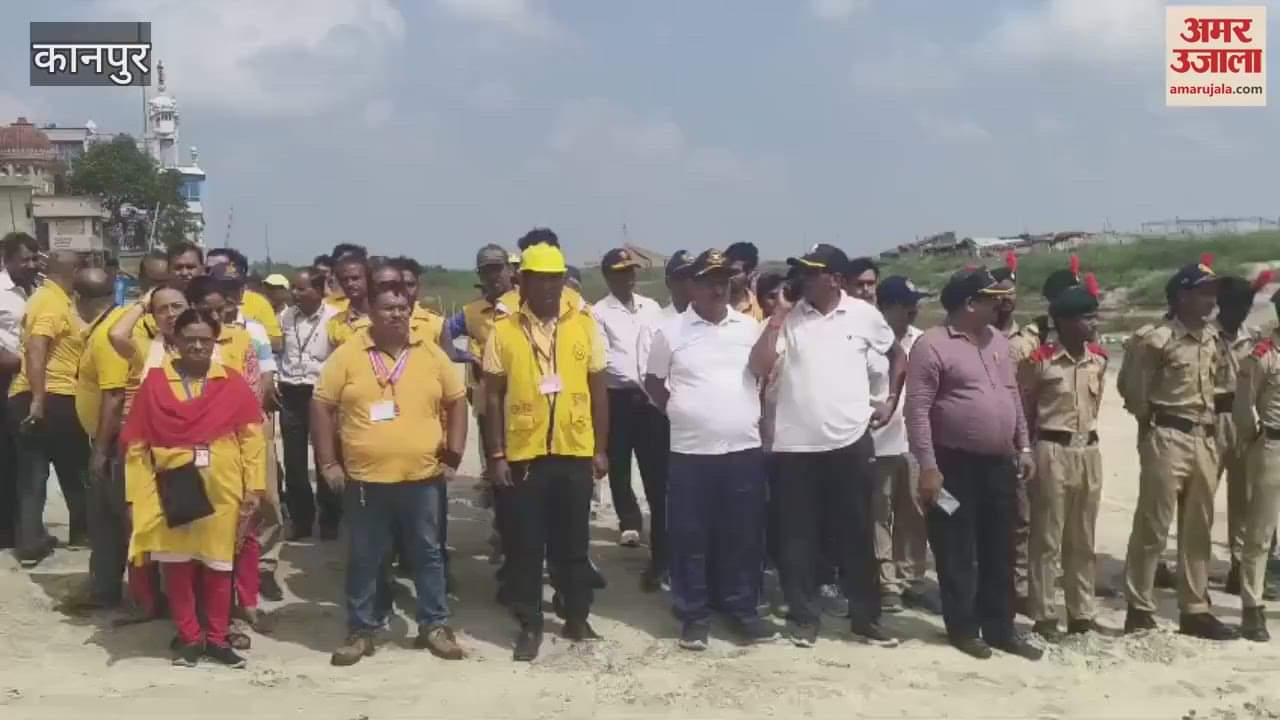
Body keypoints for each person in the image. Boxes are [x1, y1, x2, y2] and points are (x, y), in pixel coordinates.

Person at [748, 244, 903, 649]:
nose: (802, 279)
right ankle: (804, 617)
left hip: (850, 443)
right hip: (795, 449)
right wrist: (778, 317)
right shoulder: (788, 320)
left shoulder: (864, 315)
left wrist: (889, 401)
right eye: (800, 272)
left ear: (834, 278)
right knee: (798, 538)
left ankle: (866, 618)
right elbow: (758, 367)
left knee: (855, 535)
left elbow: (897, 354)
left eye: (811, 273)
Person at [313, 284, 468, 666]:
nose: (397, 315)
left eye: (403, 307)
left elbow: (457, 400)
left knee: (428, 554)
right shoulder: (348, 355)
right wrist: (328, 463)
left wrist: (454, 454)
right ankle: (362, 629)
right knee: (366, 556)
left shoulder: (430, 352)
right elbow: (321, 406)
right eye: (388, 308)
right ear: (371, 312)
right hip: (367, 479)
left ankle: (434, 625)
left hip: (423, 477)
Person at [904, 266, 1041, 661]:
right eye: (990, 298)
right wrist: (928, 467)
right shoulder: (932, 346)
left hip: (999, 464)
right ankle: (964, 628)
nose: (999, 303)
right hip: (953, 466)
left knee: (1000, 546)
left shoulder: (996, 340)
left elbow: (1011, 395)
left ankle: (1001, 628)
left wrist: (1024, 448)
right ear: (969, 303)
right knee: (957, 548)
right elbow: (918, 412)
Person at [481, 242, 609, 662]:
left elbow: (598, 390)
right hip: (524, 455)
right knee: (526, 546)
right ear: (523, 282)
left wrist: (600, 449)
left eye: (557, 278)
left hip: (574, 451)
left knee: (573, 542)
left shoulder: (585, 324)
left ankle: (576, 615)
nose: (551, 287)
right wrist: (497, 455)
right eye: (542, 279)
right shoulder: (503, 331)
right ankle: (531, 623)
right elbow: (493, 397)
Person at [645, 248, 775, 650]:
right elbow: (653, 383)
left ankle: (739, 608)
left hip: (741, 449)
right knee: (690, 536)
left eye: (723, 281)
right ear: (691, 286)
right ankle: (694, 614)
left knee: (741, 534)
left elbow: (762, 373)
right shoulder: (670, 331)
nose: (717, 288)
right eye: (708, 281)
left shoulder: (748, 328)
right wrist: (682, 413)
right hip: (691, 453)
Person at [122, 308, 264, 668]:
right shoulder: (154, 384)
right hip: (171, 487)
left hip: (223, 488)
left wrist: (254, 489)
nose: (198, 345)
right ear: (176, 341)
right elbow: (137, 446)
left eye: (205, 339)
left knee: (218, 564)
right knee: (177, 564)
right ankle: (188, 636)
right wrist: (135, 496)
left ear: (215, 341)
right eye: (190, 339)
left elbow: (252, 439)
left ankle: (216, 638)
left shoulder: (231, 383)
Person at [1117, 257, 1236, 640]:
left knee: (1198, 527)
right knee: (1153, 525)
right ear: (1182, 296)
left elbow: (1221, 386)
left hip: (1203, 437)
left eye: (1214, 293)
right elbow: (1133, 390)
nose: (1211, 301)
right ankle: (1139, 608)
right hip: (1166, 435)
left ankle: (1195, 608)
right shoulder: (1155, 339)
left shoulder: (1213, 338)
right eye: (1203, 293)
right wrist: (1152, 427)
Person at [1019, 281, 1108, 642]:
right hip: (1052, 450)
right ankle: (1043, 615)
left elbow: (1096, 404)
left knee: (1082, 538)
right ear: (1066, 322)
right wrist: (1024, 451)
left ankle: (1081, 613)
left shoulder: (1098, 359)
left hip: (1088, 450)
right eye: (1086, 317)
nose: (1093, 322)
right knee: (1047, 538)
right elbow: (1024, 410)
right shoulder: (1040, 362)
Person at [8, 249, 89, 567]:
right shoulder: (51, 302)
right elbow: (37, 346)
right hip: (51, 397)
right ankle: (63, 536)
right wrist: (39, 400)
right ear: (75, 271)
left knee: (44, 472)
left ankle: (34, 540)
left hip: (43, 397)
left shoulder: (54, 299)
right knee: (64, 470)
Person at [592, 249, 667, 568]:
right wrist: (641, 381)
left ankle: (660, 526)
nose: (629, 277)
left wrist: (656, 384)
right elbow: (606, 361)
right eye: (622, 272)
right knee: (620, 465)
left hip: (651, 401)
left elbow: (660, 347)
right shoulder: (598, 313)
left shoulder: (651, 308)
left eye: (632, 271)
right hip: (619, 397)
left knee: (656, 467)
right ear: (609, 276)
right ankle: (630, 521)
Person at [870, 276, 938, 615]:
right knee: (879, 516)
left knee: (914, 513)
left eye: (917, 303)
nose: (914, 310)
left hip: (913, 443)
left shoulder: (922, 341)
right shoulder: (866, 340)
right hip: (876, 443)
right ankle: (886, 583)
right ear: (886, 306)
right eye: (906, 304)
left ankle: (911, 580)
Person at [73, 268, 131, 608]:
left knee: (109, 519)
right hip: (107, 439)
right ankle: (104, 587)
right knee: (103, 518)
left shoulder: (108, 334)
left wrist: (101, 449)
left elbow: (115, 395)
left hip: (113, 441)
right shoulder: (107, 325)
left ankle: (107, 590)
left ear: (79, 300)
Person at [1214, 274, 1267, 594]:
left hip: (1244, 418)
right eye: (1236, 305)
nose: (1242, 312)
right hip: (1212, 417)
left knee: (1244, 499)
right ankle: (1193, 566)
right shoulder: (1207, 336)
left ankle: (1238, 566)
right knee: (1201, 496)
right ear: (1222, 304)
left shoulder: (1252, 338)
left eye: (1246, 305)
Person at [278, 268, 341, 540]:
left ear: (319, 290)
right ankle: (301, 520)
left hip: (321, 395)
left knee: (325, 458)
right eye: (293, 287)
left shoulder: (334, 319)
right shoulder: (285, 316)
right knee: (294, 462)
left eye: (301, 288)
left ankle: (330, 518)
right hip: (290, 393)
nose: (294, 293)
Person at [1233, 288, 1280, 641]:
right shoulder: (1263, 356)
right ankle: (1252, 607)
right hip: (1272, 447)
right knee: (1260, 533)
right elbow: (1243, 407)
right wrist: (1256, 440)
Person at [0, 232, 39, 550]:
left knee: (26, 457)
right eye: (23, 259)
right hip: (6, 379)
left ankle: (24, 531)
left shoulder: (37, 291)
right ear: (7, 259)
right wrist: (18, 361)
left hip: (32, 383)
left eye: (33, 258)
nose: (30, 264)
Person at [207, 248, 284, 354]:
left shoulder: (255, 327)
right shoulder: (199, 316)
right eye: (223, 287)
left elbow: (277, 345)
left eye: (233, 287)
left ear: (242, 290)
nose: (228, 293)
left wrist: (243, 336)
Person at [326, 254, 371, 347]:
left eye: (355, 278)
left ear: (368, 278)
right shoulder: (335, 323)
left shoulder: (385, 316)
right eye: (344, 280)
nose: (349, 284)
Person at [725, 241, 763, 320]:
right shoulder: (710, 305)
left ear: (749, 273)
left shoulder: (760, 309)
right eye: (726, 271)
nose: (729, 276)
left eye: (734, 272)